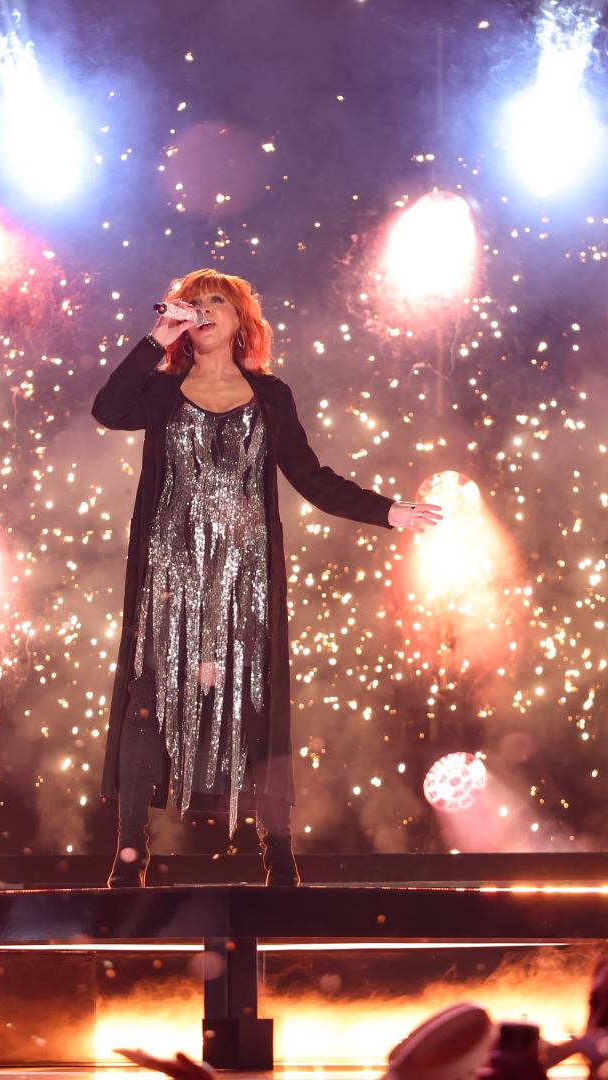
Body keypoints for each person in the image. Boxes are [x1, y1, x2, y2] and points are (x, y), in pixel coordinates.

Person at [92, 269, 441, 887]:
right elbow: (108, 410)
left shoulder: (271, 396)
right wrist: (155, 340)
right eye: (192, 303)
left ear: (239, 320)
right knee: (149, 702)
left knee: (255, 705)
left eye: (215, 302)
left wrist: (387, 512)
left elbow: (311, 476)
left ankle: (277, 850)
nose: (202, 310)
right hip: (169, 578)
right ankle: (130, 852)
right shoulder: (161, 393)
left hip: (245, 581)